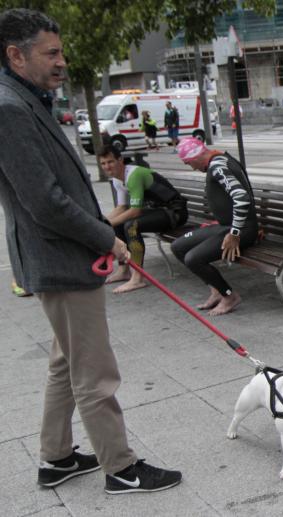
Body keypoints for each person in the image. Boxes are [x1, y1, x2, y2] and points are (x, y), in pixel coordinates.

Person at [0, 8, 181, 493]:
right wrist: (107, 237)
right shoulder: (9, 108)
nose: (62, 61)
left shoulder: (25, 99)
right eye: (51, 53)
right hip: (60, 260)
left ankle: (56, 459)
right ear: (16, 55)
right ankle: (121, 468)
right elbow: (45, 202)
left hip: (62, 257)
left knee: (66, 361)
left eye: (62, 51)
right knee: (95, 373)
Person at [171, 138, 258, 316]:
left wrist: (234, 234)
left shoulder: (218, 166)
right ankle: (216, 290)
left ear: (197, 156)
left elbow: (241, 197)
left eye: (189, 163)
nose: (192, 168)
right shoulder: (218, 161)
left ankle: (229, 296)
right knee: (178, 246)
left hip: (242, 230)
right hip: (225, 226)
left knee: (193, 258)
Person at [99, 145, 188, 293]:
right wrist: (103, 223)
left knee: (131, 225)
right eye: (103, 163)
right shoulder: (117, 179)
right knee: (118, 225)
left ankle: (137, 278)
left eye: (110, 162)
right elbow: (121, 207)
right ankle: (124, 270)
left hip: (174, 212)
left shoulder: (134, 175)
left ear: (120, 160)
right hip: (158, 211)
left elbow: (134, 211)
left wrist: (106, 224)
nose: (107, 167)